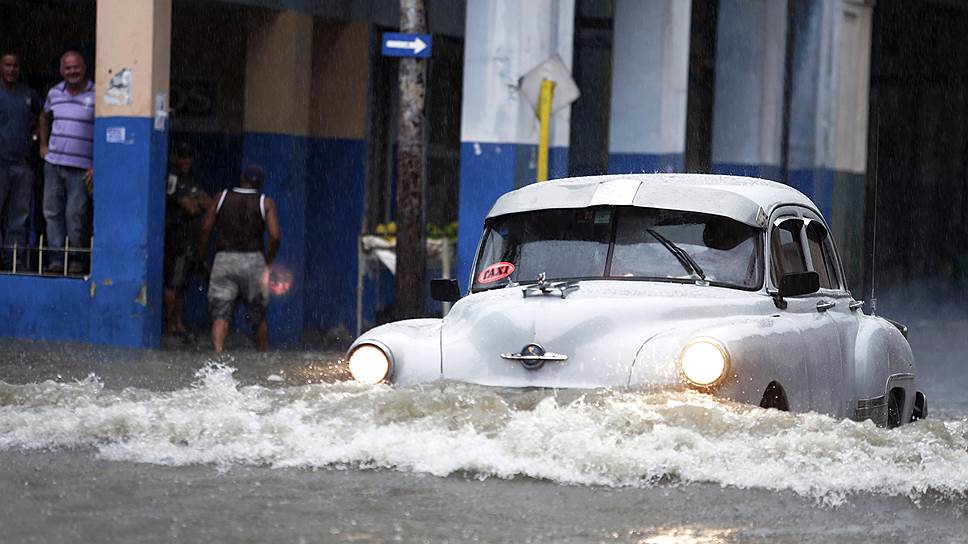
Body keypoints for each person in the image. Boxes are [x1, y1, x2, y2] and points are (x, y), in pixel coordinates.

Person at [197, 165, 281, 353]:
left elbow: (205, 229)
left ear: (242, 177)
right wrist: (268, 261)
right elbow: (275, 236)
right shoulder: (265, 202)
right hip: (253, 260)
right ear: (260, 182)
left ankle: (218, 354)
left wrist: (201, 257)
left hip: (224, 259)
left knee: (220, 313)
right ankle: (262, 356)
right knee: (258, 314)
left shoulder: (221, 198)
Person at [38, 50, 94, 275]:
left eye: (76, 67)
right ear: (62, 71)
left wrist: (96, 164)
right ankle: (56, 260)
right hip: (53, 164)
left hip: (81, 168)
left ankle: (77, 260)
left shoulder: (97, 93)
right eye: (68, 68)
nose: (72, 71)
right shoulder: (54, 93)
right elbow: (43, 117)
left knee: (75, 215)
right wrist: (43, 146)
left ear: (84, 68)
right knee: (52, 213)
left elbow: (104, 129)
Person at [163, 141, 211, 340]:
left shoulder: (188, 179)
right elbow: (191, 208)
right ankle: (170, 325)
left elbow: (209, 203)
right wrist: (195, 204)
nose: (186, 161)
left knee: (183, 284)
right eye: (182, 156)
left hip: (190, 241)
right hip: (177, 240)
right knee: (173, 284)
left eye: (188, 157)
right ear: (174, 157)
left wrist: (196, 204)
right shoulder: (172, 180)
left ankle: (178, 323)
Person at [0, 51, 41, 270]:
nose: (11, 70)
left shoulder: (28, 95)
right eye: (7, 65)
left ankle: (12, 262)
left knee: (18, 218)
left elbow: (43, 116)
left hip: (22, 165)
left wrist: (35, 139)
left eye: (15, 66)